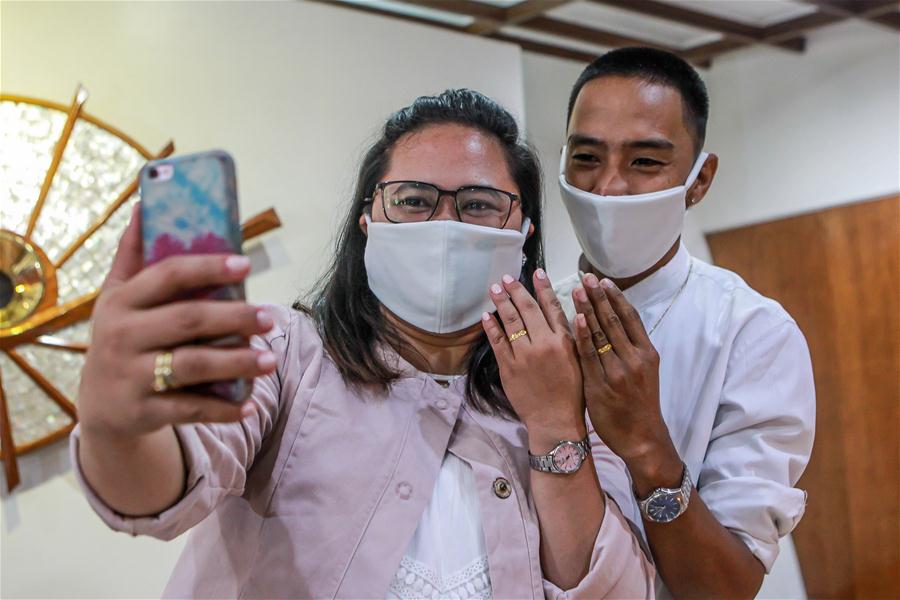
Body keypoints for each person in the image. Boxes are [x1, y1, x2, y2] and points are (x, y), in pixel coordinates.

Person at [72, 89, 654, 599]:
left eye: (479, 203)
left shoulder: (574, 390)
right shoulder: (282, 353)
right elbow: (167, 484)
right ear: (368, 219)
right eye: (412, 199)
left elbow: (618, 593)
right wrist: (116, 428)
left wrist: (554, 422)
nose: (444, 224)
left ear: (524, 234)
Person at [553, 47, 816, 599]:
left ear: (699, 180)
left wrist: (647, 444)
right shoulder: (534, 318)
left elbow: (727, 588)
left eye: (645, 162)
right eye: (586, 158)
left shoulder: (751, 335)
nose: (608, 188)